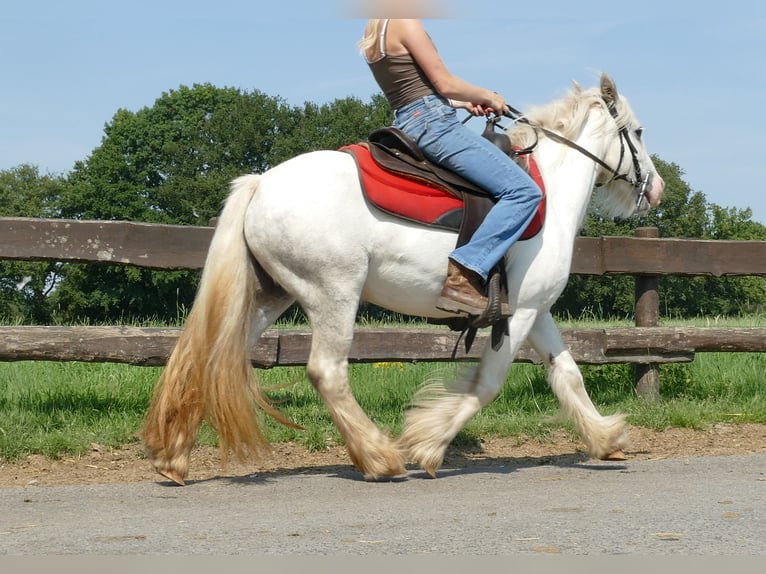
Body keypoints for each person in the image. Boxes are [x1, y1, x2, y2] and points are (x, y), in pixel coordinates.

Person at [359, 18, 543, 318]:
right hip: (434, 124)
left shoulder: (373, 30)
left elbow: (413, 90)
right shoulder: (406, 23)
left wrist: (462, 104)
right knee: (523, 191)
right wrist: (488, 96)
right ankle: (466, 273)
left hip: (409, 121)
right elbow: (444, 82)